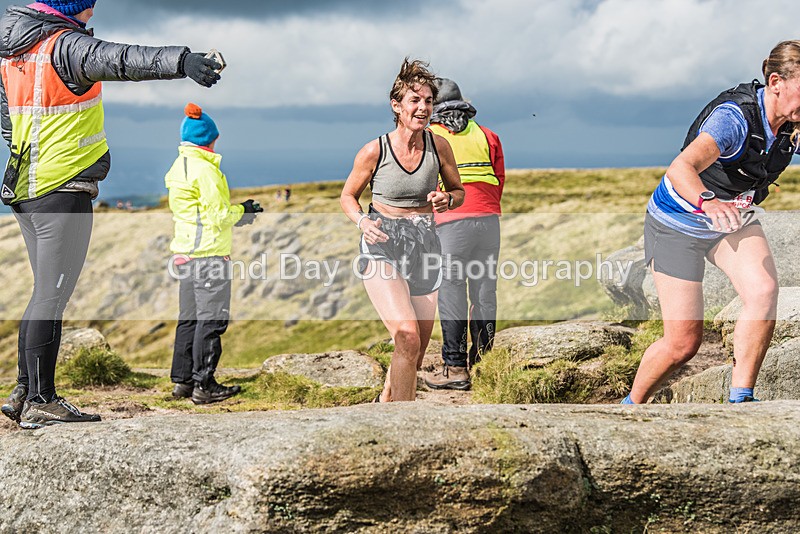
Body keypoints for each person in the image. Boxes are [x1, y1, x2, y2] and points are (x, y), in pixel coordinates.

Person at [0, 0, 224, 429]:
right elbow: (122, 59)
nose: (93, 11)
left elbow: (9, 122)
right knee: (51, 296)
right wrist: (184, 61)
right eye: (89, 4)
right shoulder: (65, 46)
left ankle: (25, 390)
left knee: (42, 293)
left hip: (28, 186)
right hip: (63, 189)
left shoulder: (15, 50)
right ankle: (42, 400)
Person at [623, 41, 800, 405]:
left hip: (732, 217)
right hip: (677, 224)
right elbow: (680, 168)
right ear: (776, 82)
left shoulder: (792, 123)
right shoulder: (734, 119)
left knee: (764, 291)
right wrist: (709, 202)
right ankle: (630, 407)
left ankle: (741, 398)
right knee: (683, 344)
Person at [340, 58, 464, 402]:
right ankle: (403, 420)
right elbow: (348, 196)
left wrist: (447, 199)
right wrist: (363, 221)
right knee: (407, 336)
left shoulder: (439, 147)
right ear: (397, 106)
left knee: (417, 349)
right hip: (383, 243)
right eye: (415, 100)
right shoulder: (374, 150)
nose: (423, 107)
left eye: (428, 101)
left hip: (425, 244)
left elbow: (458, 191)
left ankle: (387, 401)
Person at [167, 103, 261, 405]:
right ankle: (204, 385)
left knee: (189, 319)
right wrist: (243, 210)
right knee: (212, 321)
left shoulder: (179, 165)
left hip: (186, 253)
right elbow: (219, 215)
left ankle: (182, 381)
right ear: (209, 139)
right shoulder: (206, 170)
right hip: (209, 255)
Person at [423, 78, 505, 391]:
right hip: (488, 222)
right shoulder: (488, 135)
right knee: (484, 293)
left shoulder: (430, 136)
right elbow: (498, 179)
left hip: (450, 224)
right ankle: (484, 365)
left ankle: (455, 368)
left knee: (452, 291)